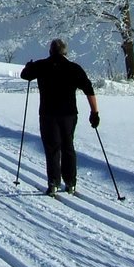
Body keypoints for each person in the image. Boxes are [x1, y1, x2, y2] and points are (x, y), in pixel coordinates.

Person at [20, 38, 99, 195]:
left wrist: (29, 66)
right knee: (68, 146)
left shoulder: (41, 65)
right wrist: (94, 113)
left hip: (48, 114)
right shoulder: (74, 68)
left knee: (52, 148)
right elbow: (88, 89)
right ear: (66, 52)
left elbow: (25, 75)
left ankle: (54, 183)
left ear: (50, 51)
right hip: (69, 114)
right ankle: (70, 182)